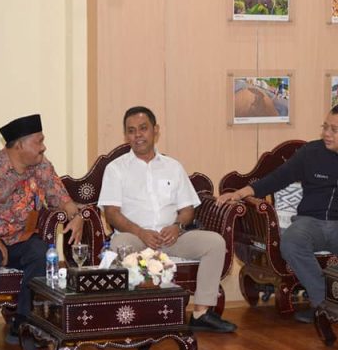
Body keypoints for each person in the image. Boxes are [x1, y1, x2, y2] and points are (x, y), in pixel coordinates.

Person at [218, 104, 338, 323]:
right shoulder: (310, 153)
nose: (326, 133)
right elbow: (277, 178)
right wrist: (240, 193)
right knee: (291, 243)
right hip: (310, 223)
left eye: (334, 129)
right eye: (325, 127)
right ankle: (323, 304)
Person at [98, 106, 236, 333]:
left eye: (143, 128)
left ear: (156, 130)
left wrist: (177, 226)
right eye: (131, 131)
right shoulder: (116, 169)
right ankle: (136, 315)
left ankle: (201, 313)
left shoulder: (173, 167)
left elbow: (187, 208)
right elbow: (111, 213)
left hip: (171, 238)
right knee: (119, 244)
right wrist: (140, 232)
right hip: (135, 238)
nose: (138, 135)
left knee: (215, 242)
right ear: (126, 136)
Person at [0, 114, 83, 350]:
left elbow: (63, 199)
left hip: (16, 240)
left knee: (40, 251)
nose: (43, 147)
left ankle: (22, 322)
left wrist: (76, 216)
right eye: (39, 141)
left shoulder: (42, 167)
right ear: (20, 145)